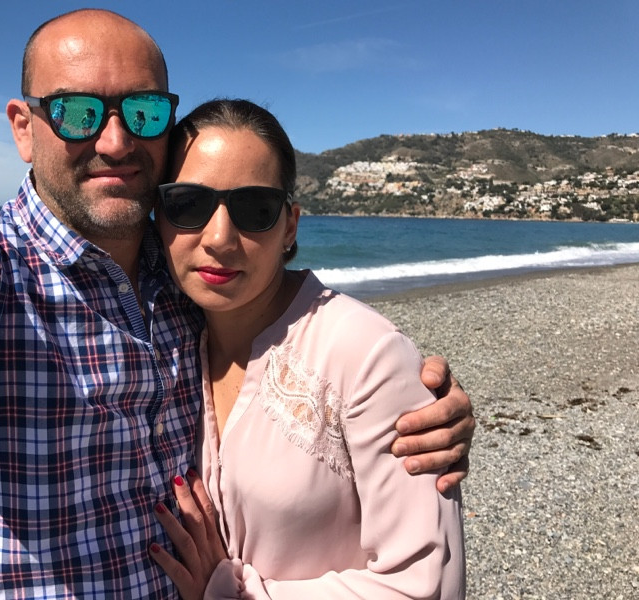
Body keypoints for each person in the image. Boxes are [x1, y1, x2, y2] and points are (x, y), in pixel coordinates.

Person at [0, 9, 472, 599]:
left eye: (142, 113)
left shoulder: (184, 283)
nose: (115, 141)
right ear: (24, 128)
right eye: (77, 112)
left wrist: (406, 398)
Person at [146, 99, 465, 598]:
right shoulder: (168, 331)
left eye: (255, 209)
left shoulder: (364, 352)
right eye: (188, 204)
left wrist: (230, 592)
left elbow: (426, 584)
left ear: (290, 226)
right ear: (158, 217)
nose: (220, 238)